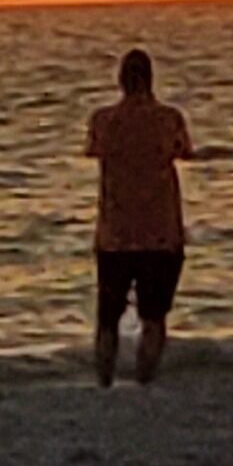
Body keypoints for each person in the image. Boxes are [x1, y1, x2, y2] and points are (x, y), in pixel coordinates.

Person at [87, 47, 194, 384]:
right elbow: (185, 151)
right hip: (161, 234)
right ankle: (144, 380)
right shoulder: (169, 119)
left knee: (107, 320)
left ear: (120, 81)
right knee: (154, 317)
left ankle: (104, 381)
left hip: (114, 235)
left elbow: (93, 149)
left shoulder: (102, 120)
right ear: (151, 79)